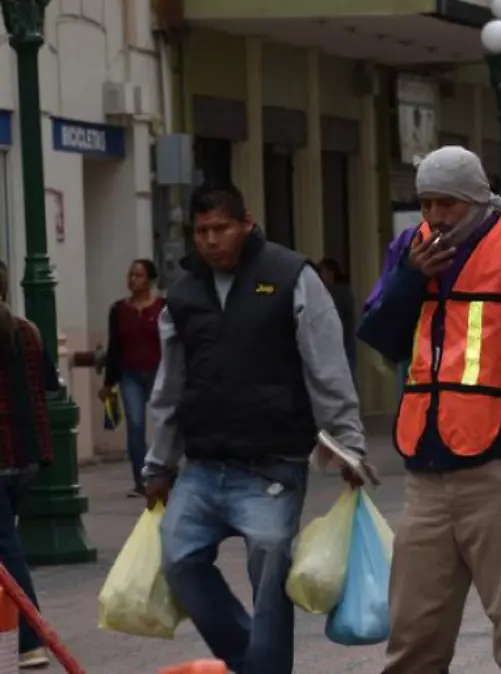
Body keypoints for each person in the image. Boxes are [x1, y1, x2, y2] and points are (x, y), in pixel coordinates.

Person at [358, 146, 501, 674]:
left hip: (497, 469)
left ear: (477, 200)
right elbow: (377, 332)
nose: (435, 217)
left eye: (447, 204)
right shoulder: (410, 249)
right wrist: (409, 279)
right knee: (414, 633)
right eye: (426, 203)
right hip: (426, 472)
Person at [143, 182, 367, 674]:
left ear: (246, 222)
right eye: (201, 231)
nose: (210, 240)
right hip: (202, 466)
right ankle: (253, 660)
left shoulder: (291, 276)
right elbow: (169, 385)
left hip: (272, 465)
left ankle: (262, 665)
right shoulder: (183, 295)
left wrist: (348, 443)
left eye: (221, 228)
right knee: (179, 560)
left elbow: (326, 365)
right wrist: (158, 464)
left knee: (269, 572)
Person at [0, 275, 60, 670]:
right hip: (26, 457)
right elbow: (51, 386)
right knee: (6, 543)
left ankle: (31, 638)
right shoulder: (28, 331)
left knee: (7, 547)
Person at [100, 259, 164, 497]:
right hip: (130, 374)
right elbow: (114, 346)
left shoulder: (163, 307)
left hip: (159, 372)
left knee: (164, 425)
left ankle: (165, 473)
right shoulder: (118, 310)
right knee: (135, 425)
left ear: (150, 279)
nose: (133, 279)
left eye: (138, 275)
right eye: (131, 275)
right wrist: (108, 383)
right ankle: (141, 479)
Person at [316, 258, 358, 374]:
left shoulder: (337, 293)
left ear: (331, 272)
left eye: (322, 271)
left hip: (341, 344)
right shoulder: (344, 291)